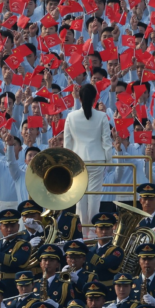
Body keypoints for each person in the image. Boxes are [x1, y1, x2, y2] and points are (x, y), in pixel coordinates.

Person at [64, 83, 112, 236]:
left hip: (77, 161)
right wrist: (109, 162)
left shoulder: (71, 116)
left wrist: (68, 164)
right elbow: (106, 141)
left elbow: (67, 144)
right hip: (97, 160)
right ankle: (92, 232)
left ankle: (82, 232)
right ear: (95, 99)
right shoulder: (102, 116)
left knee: (80, 199)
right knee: (94, 198)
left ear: (79, 98)